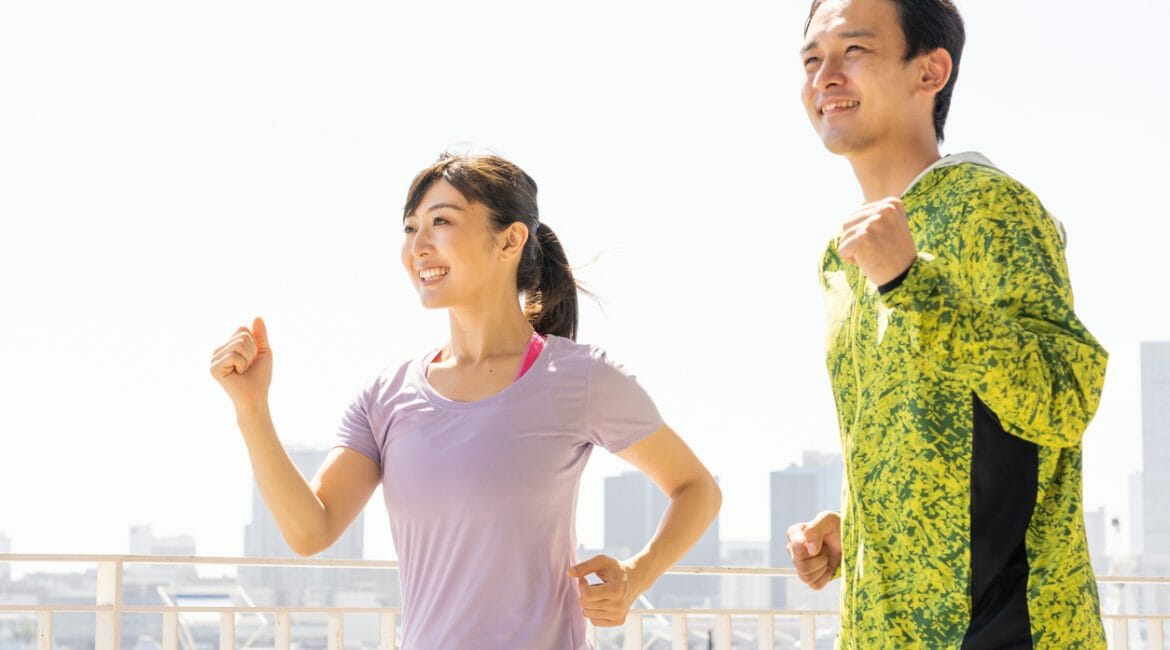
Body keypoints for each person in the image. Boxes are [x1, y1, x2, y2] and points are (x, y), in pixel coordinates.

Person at [209, 152, 721, 649]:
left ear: (510, 240)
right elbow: (310, 529)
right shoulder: (386, 396)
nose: (419, 246)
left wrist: (636, 575)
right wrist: (251, 408)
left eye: (441, 222)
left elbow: (696, 488)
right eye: (410, 229)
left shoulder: (579, 378)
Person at [785, 1, 1108, 647]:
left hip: (1006, 629)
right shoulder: (841, 255)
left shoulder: (988, 205)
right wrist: (863, 522)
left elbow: (1064, 395)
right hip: (883, 630)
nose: (826, 76)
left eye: (855, 50)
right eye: (812, 59)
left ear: (930, 70)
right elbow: (942, 430)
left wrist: (910, 283)